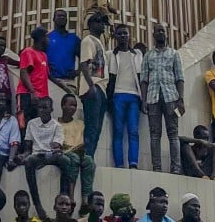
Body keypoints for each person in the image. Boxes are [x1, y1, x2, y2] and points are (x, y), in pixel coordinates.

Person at [140, 23, 184, 174]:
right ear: (153, 35)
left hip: (171, 97)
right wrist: (143, 100)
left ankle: (176, 169)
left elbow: (180, 78)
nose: (160, 33)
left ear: (166, 34)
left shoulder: (174, 54)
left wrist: (181, 100)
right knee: (154, 134)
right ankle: (157, 168)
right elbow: (144, 80)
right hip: (153, 98)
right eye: (157, 31)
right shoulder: (148, 56)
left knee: (173, 134)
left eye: (162, 31)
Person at [16, 96, 69, 221]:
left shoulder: (57, 126)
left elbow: (56, 146)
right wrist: (23, 155)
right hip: (36, 156)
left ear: (51, 109)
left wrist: (53, 150)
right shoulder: (31, 123)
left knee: (65, 160)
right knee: (29, 161)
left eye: (45, 107)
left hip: (52, 155)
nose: (42, 110)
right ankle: (37, 204)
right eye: (39, 108)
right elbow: (28, 149)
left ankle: (63, 199)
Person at [106, 22, 142, 169]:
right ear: (115, 36)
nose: (122, 36)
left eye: (125, 33)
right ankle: (119, 164)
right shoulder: (110, 55)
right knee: (118, 131)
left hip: (134, 96)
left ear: (129, 36)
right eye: (119, 33)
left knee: (133, 131)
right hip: (117, 96)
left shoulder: (137, 54)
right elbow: (108, 78)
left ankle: (133, 163)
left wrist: (143, 99)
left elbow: (142, 77)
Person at [78, 11, 109, 158]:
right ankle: (87, 157)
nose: (102, 25)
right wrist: (91, 86)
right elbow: (84, 64)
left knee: (97, 128)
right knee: (92, 126)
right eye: (99, 22)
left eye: (103, 22)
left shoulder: (99, 42)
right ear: (90, 25)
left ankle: (90, 157)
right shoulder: (87, 40)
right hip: (94, 87)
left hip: (101, 88)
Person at [58, 93, 96, 212]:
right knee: (73, 159)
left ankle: (85, 200)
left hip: (78, 152)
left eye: (75, 105)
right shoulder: (56, 124)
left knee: (89, 161)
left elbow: (81, 142)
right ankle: (71, 197)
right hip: (64, 153)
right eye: (71, 105)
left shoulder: (80, 124)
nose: (73, 108)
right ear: (63, 106)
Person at [17, 27, 51, 128]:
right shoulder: (28, 52)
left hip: (42, 97)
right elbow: (24, 72)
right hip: (27, 95)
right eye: (47, 37)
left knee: (39, 127)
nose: (49, 40)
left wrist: (63, 86)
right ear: (42, 38)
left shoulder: (44, 55)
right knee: (24, 125)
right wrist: (32, 92)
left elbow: (48, 75)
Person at [47, 9, 81, 94]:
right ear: (53, 19)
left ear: (67, 20)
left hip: (69, 82)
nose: (61, 18)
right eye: (59, 16)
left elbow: (85, 58)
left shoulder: (74, 39)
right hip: (51, 81)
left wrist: (78, 71)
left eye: (64, 16)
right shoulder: (47, 38)